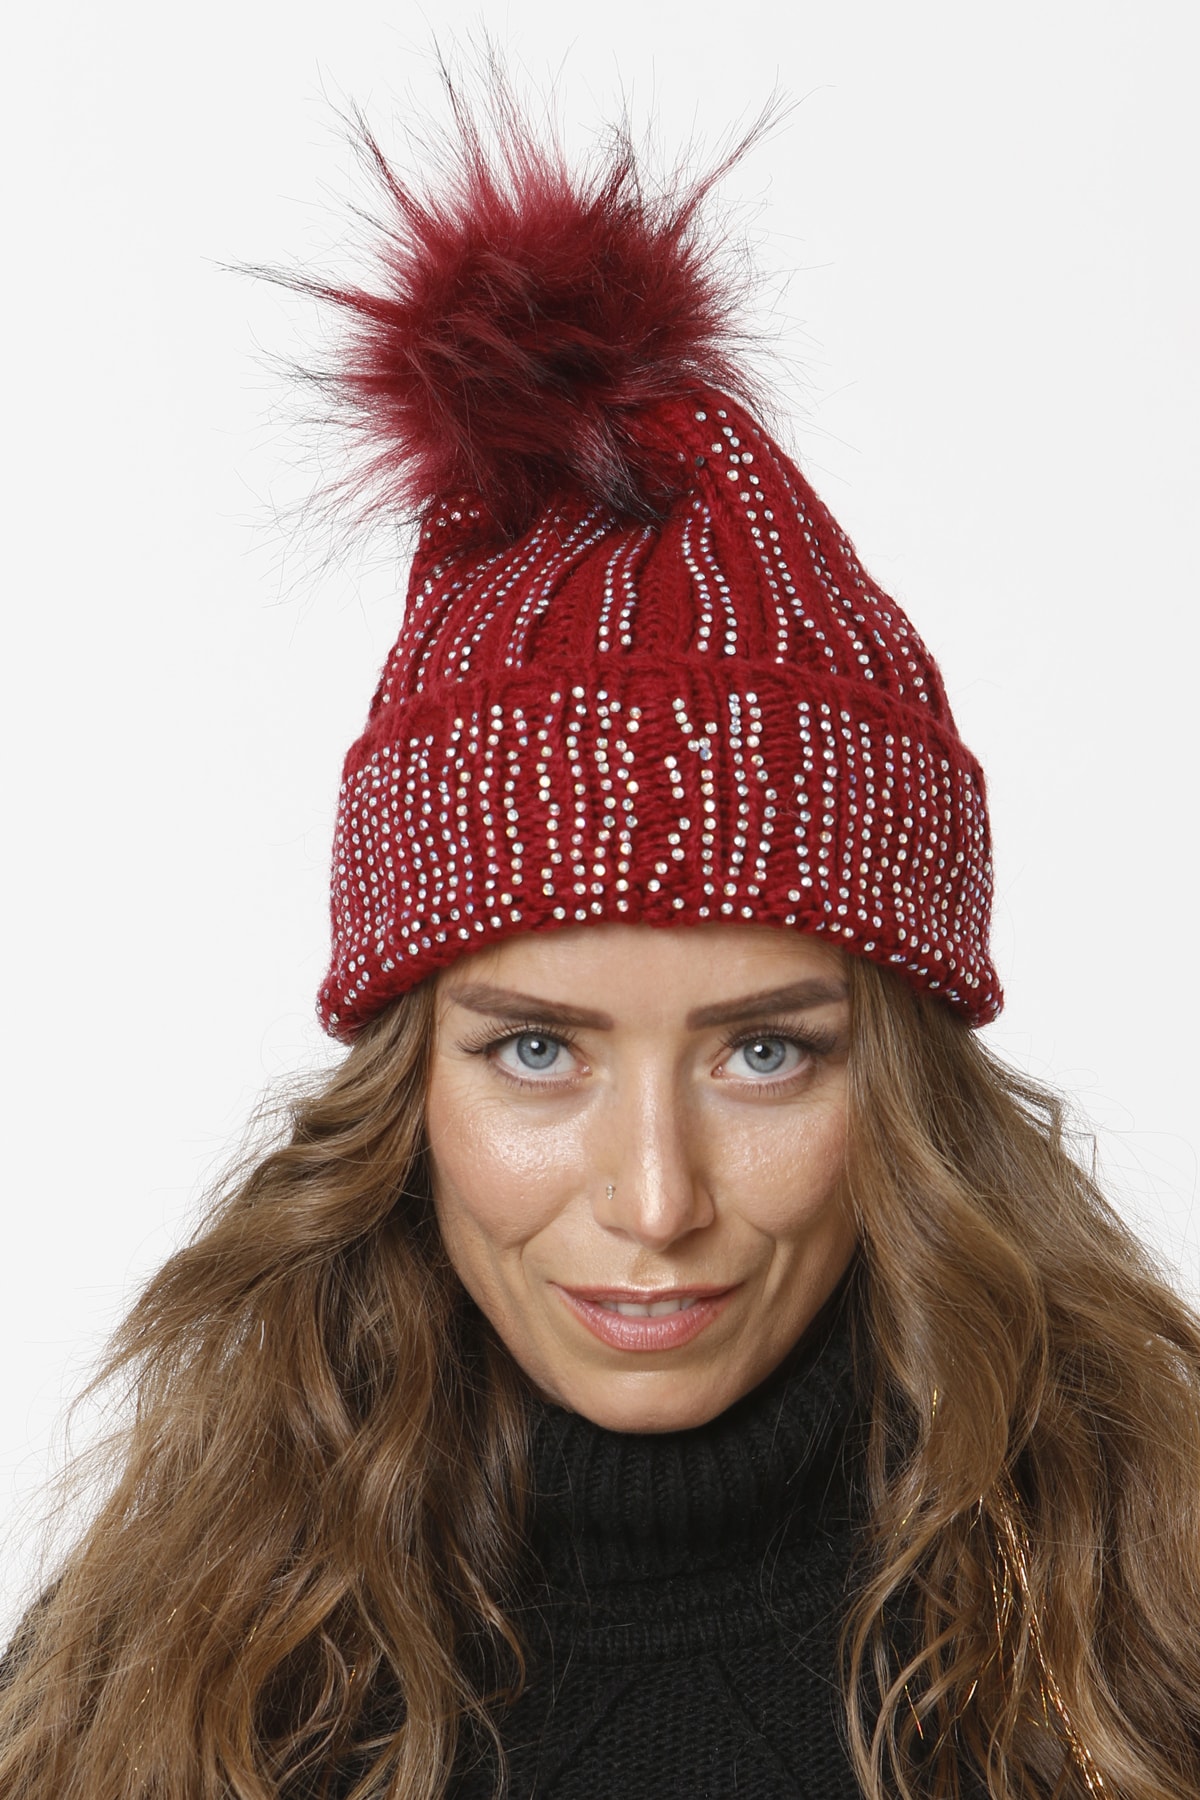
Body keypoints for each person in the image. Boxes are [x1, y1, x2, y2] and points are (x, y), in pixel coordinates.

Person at [2, 82, 1199, 1800]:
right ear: (409, 1087)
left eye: (765, 1051)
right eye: (538, 1050)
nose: (655, 1201)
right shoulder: (151, 1682)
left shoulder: (1149, 1635)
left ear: (908, 1090)